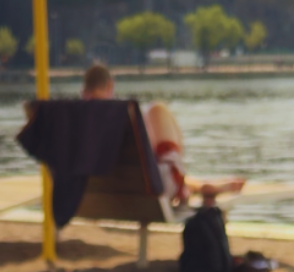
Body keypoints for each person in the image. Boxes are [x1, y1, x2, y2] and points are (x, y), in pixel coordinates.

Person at [80, 64, 243, 207]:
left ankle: (197, 185)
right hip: (145, 191)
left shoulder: (74, 121)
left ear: (83, 91)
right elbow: (148, 154)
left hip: (99, 193)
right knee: (157, 109)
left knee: (155, 136)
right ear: (110, 85)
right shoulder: (120, 115)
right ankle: (185, 185)